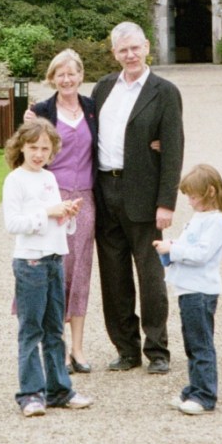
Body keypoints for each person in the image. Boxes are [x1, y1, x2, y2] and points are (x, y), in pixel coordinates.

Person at [92, 21, 184, 374]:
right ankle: (126, 349)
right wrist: (36, 113)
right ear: (114, 53)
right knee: (114, 277)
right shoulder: (103, 88)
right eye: (123, 50)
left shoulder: (164, 92)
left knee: (150, 276)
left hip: (143, 193)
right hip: (105, 190)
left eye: (135, 48)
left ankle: (157, 350)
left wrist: (166, 202)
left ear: (147, 47)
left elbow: (173, 149)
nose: (130, 55)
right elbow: (78, 124)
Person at [2, 118, 93, 417]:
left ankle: (59, 390)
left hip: (55, 258)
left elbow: (57, 222)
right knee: (32, 330)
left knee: (55, 329)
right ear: (21, 147)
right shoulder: (15, 180)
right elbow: (13, 223)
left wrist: (67, 214)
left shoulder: (49, 178)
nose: (39, 154)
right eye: (33, 148)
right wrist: (47, 212)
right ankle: (30, 394)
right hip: (30, 262)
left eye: (45, 148)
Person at [26, 48, 97, 373]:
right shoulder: (41, 111)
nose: (66, 79)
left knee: (81, 272)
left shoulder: (92, 108)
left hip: (85, 201)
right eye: (60, 74)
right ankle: (60, 348)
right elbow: (25, 151)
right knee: (57, 272)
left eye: (71, 73)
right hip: (52, 198)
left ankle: (79, 349)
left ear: (81, 76)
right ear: (52, 78)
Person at [153, 164, 222, 416]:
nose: (189, 201)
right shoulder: (199, 217)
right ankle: (194, 388)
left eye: (193, 196)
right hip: (187, 289)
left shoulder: (215, 220)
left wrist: (173, 250)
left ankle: (205, 395)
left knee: (201, 344)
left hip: (200, 291)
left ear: (210, 192)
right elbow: (190, 244)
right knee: (192, 342)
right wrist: (171, 245)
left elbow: (201, 254)